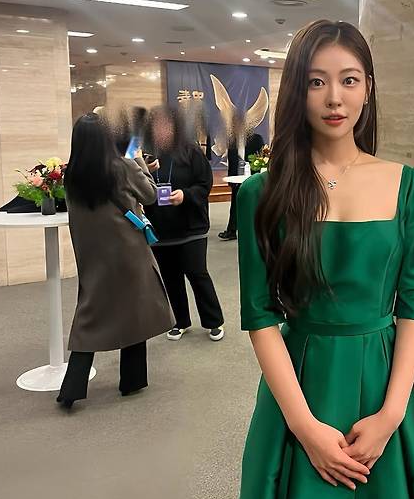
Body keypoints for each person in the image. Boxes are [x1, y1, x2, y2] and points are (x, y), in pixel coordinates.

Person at [216, 20, 414, 499]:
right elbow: (260, 317)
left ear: (368, 87)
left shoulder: (411, 188)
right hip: (300, 390)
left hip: (381, 391)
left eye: (349, 80)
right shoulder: (262, 193)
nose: (334, 98)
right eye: (316, 82)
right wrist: (304, 427)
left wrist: (391, 414)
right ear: (297, 91)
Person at [57, 113, 174, 409]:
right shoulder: (122, 166)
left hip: (92, 254)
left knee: (89, 314)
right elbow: (150, 196)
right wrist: (138, 160)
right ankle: (132, 380)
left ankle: (72, 388)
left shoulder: (72, 175)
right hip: (127, 252)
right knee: (135, 309)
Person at [144, 104, 225, 342]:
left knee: (197, 273)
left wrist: (185, 195)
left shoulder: (191, 151)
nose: (161, 129)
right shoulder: (147, 155)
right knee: (170, 277)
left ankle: (213, 321)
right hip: (160, 227)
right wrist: (144, 169)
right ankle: (180, 321)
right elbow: (136, 185)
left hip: (191, 227)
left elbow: (204, 185)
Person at [219, 128, 265, 242]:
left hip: (252, 177)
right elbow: (231, 162)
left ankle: (257, 229)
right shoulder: (233, 141)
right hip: (237, 178)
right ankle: (231, 230)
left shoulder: (256, 139)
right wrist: (231, 181)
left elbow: (261, 157)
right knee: (235, 203)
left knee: (254, 204)